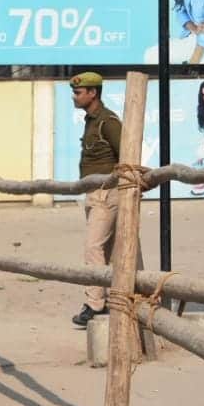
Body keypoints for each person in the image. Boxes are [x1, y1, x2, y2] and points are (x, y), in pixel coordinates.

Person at [71, 71, 122, 328]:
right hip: (95, 193)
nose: (74, 96)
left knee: (93, 248)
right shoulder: (92, 120)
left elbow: (127, 154)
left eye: (78, 92)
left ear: (93, 93)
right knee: (109, 250)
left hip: (106, 192)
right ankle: (115, 300)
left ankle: (94, 303)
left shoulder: (107, 121)